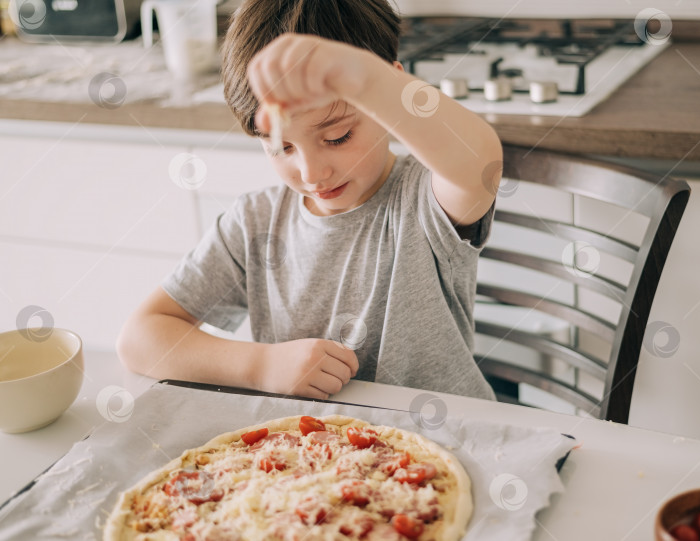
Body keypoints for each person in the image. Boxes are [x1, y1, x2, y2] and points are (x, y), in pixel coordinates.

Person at [116, 0, 502, 401]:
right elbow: (139, 339)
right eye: (282, 147)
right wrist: (260, 366)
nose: (312, 173)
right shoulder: (253, 223)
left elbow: (480, 163)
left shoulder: (424, 202)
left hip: (445, 443)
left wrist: (367, 80)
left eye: (337, 138)